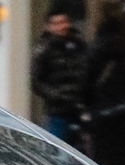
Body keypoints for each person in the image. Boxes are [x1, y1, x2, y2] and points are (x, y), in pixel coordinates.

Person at [81, 21, 125, 165]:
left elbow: (86, 83)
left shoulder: (94, 53)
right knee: (123, 151)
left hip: (101, 110)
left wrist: (87, 105)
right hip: (123, 110)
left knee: (102, 153)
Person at [30, 10, 90, 145]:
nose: (61, 26)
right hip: (57, 110)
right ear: (49, 26)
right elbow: (37, 81)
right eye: (56, 23)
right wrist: (57, 96)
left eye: (63, 22)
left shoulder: (79, 45)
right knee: (56, 146)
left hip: (79, 107)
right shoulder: (44, 49)